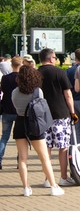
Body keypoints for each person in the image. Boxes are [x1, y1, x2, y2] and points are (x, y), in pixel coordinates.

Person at [11, 65, 64, 196]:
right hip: (34, 124)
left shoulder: (14, 92)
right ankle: (53, 186)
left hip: (20, 123)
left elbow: (16, 108)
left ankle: (26, 188)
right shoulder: (37, 91)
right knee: (44, 157)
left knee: (22, 159)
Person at [38, 48, 77, 187]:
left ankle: (48, 179)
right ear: (51, 59)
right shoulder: (60, 72)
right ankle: (63, 177)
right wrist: (72, 112)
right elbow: (68, 95)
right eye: (54, 57)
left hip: (42, 116)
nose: (55, 59)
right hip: (61, 114)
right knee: (63, 147)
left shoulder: (36, 73)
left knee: (46, 147)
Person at [0, 56, 23, 170]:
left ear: (11, 65)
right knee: (21, 138)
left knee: (4, 137)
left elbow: (3, 90)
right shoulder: (22, 78)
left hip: (7, 110)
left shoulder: (5, 78)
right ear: (21, 64)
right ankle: (20, 161)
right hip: (19, 111)